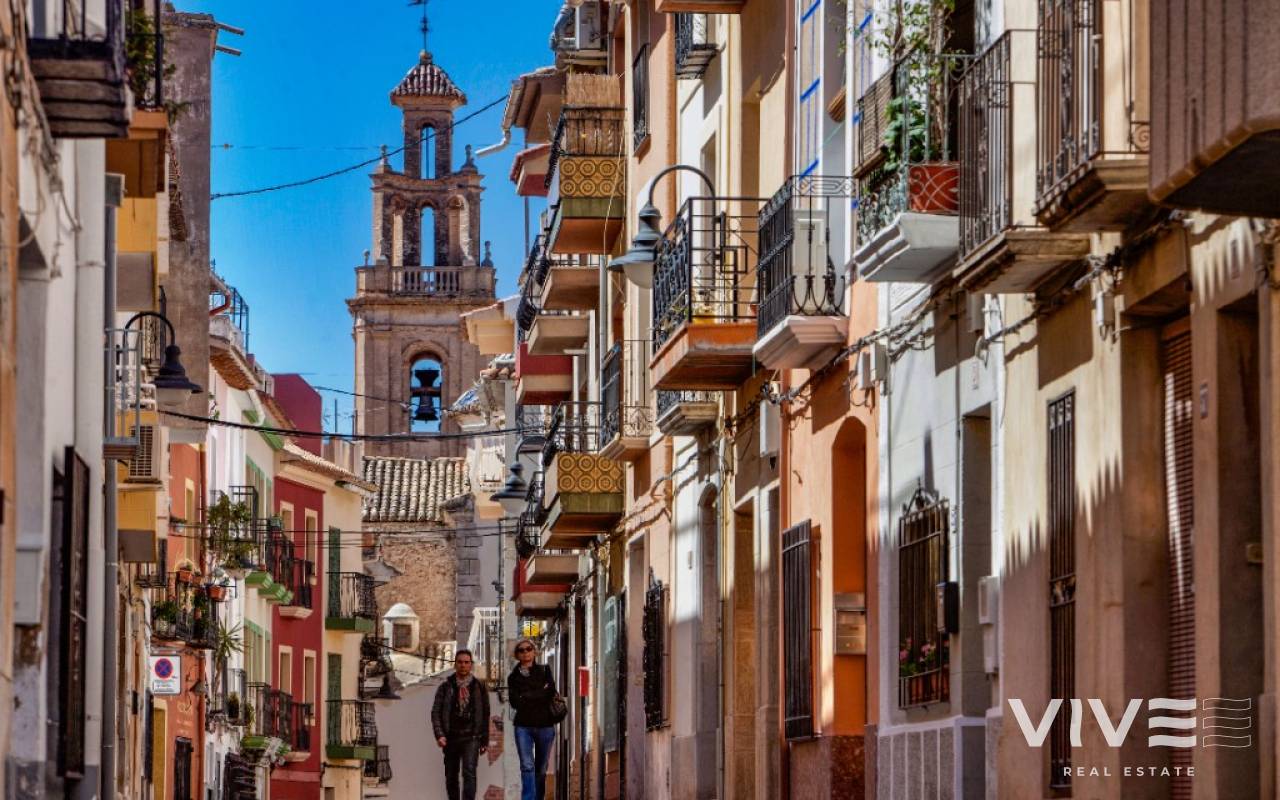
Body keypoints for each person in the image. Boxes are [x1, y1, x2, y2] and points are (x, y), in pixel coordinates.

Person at [431, 649, 491, 800]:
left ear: (471, 665)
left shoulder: (479, 686)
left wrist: (484, 740)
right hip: (451, 736)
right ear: (455, 664)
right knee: (451, 775)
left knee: (469, 772)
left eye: (466, 662)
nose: (463, 665)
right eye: (460, 662)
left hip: (472, 736)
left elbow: (485, 714)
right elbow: (436, 712)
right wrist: (440, 735)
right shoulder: (445, 687)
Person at [507, 638, 558, 800]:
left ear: (534, 651)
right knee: (527, 766)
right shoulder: (513, 677)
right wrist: (539, 692)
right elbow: (515, 702)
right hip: (523, 726)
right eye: (521, 650)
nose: (525, 652)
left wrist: (526, 695)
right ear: (517, 655)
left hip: (545, 725)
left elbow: (550, 692)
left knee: (541, 768)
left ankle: (538, 797)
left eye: (528, 649)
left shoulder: (545, 670)